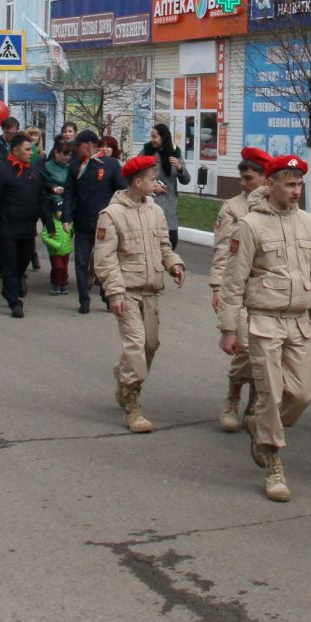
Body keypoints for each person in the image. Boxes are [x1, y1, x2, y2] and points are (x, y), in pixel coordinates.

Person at [217, 154, 311, 503]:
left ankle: (260, 426)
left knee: (303, 394)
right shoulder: (250, 225)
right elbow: (234, 281)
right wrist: (228, 328)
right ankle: (272, 459)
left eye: (299, 184)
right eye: (290, 184)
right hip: (264, 321)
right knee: (271, 394)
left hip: (298, 322)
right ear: (271, 184)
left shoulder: (310, 224)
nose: (297, 191)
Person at [95, 154, 187, 431]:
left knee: (150, 345)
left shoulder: (155, 211)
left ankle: (124, 375)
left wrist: (174, 264)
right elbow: (104, 258)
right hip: (127, 291)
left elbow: (163, 246)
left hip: (151, 292)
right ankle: (133, 407)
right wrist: (114, 293)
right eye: (151, 179)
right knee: (136, 345)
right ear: (137, 181)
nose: (156, 183)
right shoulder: (111, 215)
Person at [210, 147, 271, 431]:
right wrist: (216, 288)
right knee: (246, 346)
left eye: (249, 178)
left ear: (265, 178)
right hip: (238, 289)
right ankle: (233, 396)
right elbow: (223, 250)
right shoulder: (233, 207)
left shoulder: (277, 206)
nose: (243, 183)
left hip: (270, 290)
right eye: (242, 178)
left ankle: (255, 405)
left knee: (265, 352)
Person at [0, 131, 49, 318]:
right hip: (7, 227)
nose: (32, 152)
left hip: (27, 228)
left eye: (32, 149)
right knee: (10, 264)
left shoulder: (34, 171)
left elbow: (42, 199)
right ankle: (14, 300)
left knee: (23, 261)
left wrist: (50, 225)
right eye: (27, 149)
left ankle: (11, 286)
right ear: (15, 150)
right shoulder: (1, 171)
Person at [65, 129, 122, 314]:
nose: (75, 150)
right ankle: (84, 299)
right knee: (81, 261)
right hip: (82, 221)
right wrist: (66, 217)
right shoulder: (75, 166)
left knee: (104, 262)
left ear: (89, 144)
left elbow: (121, 190)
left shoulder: (111, 164)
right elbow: (68, 194)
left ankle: (107, 295)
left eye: (78, 146)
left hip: (104, 222)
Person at [147, 122, 190, 250]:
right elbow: (136, 176)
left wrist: (180, 167)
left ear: (163, 137)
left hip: (169, 207)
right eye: (151, 136)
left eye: (155, 137)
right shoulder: (146, 152)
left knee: (172, 242)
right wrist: (153, 187)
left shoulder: (175, 153)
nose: (152, 140)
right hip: (150, 205)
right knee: (153, 246)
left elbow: (186, 180)